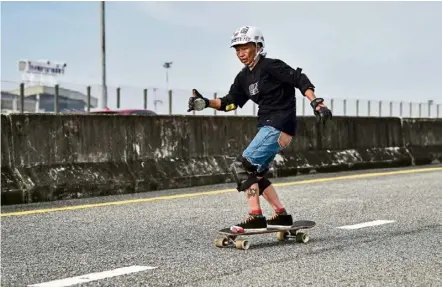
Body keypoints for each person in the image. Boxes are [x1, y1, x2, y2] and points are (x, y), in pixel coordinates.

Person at [187, 26, 332, 233]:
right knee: (256, 174)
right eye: (237, 50)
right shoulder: (244, 77)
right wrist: (206, 102)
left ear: (258, 46)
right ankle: (281, 215)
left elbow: (299, 79)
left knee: (242, 167)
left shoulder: (272, 66)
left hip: (279, 125)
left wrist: (316, 102)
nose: (241, 54)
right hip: (268, 127)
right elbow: (231, 103)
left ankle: (255, 217)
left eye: (245, 48)